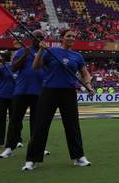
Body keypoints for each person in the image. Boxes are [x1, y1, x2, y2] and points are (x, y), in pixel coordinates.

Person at [22, 30, 94, 171]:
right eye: (68, 36)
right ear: (62, 38)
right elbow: (36, 66)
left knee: (72, 125)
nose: (71, 38)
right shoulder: (51, 51)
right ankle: (32, 159)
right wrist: (41, 50)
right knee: (41, 125)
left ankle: (78, 157)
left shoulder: (77, 56)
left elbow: (85, 74)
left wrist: (88, 85)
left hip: (68, 92)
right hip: (49, 91)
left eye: (73, 36)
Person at [1, 31, 45, 158]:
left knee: (37, 122)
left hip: (39, 92)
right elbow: (13, 68)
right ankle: (9, 147)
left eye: (41, 37)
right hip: (22, 91)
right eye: (36, 36)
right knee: (15, 120)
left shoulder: (46, 52)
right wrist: (25, 55)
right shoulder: (22, 51)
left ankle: (37, 147)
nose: (39, 38)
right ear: (31, 38)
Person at [0, 53, 16, 150]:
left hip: (15, 96)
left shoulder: (21, 67)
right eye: (14, 56)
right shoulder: (4, 67)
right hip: (1, 96)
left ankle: (16, 140)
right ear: (11, 58)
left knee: (15, 120)